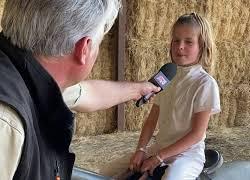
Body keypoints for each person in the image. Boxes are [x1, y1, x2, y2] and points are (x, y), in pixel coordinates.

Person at [0, 0, 160, 180]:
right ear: (84, 49)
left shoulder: (27, 76)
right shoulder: (6, 122)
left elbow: (88, 93)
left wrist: (138, 89)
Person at [101, 12, 221, 179]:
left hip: (187, 155)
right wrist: (141, 150)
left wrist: (159, 158)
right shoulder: (166, 77)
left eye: (189, 42)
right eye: (176, 40)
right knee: (109, 172)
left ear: (202, 46)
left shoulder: (205, 84)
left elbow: (197, 134)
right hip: (159, 147)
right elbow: (151, 121)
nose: (180, 46)